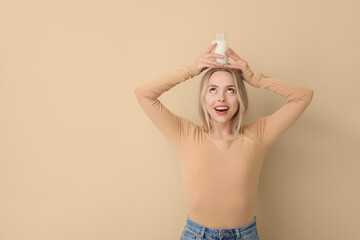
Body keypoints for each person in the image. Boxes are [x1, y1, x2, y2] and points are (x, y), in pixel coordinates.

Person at [134, 42, 314, 240]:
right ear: (203, 98)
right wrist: (192, 70)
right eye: (212, 90)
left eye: (230, 90)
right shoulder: (184, 134)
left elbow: (303, 97)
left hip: (244, 235)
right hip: (197, 235)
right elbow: (144, 95)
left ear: (240, 97)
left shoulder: (258, 136)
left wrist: (254, 78)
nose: (221, 98)